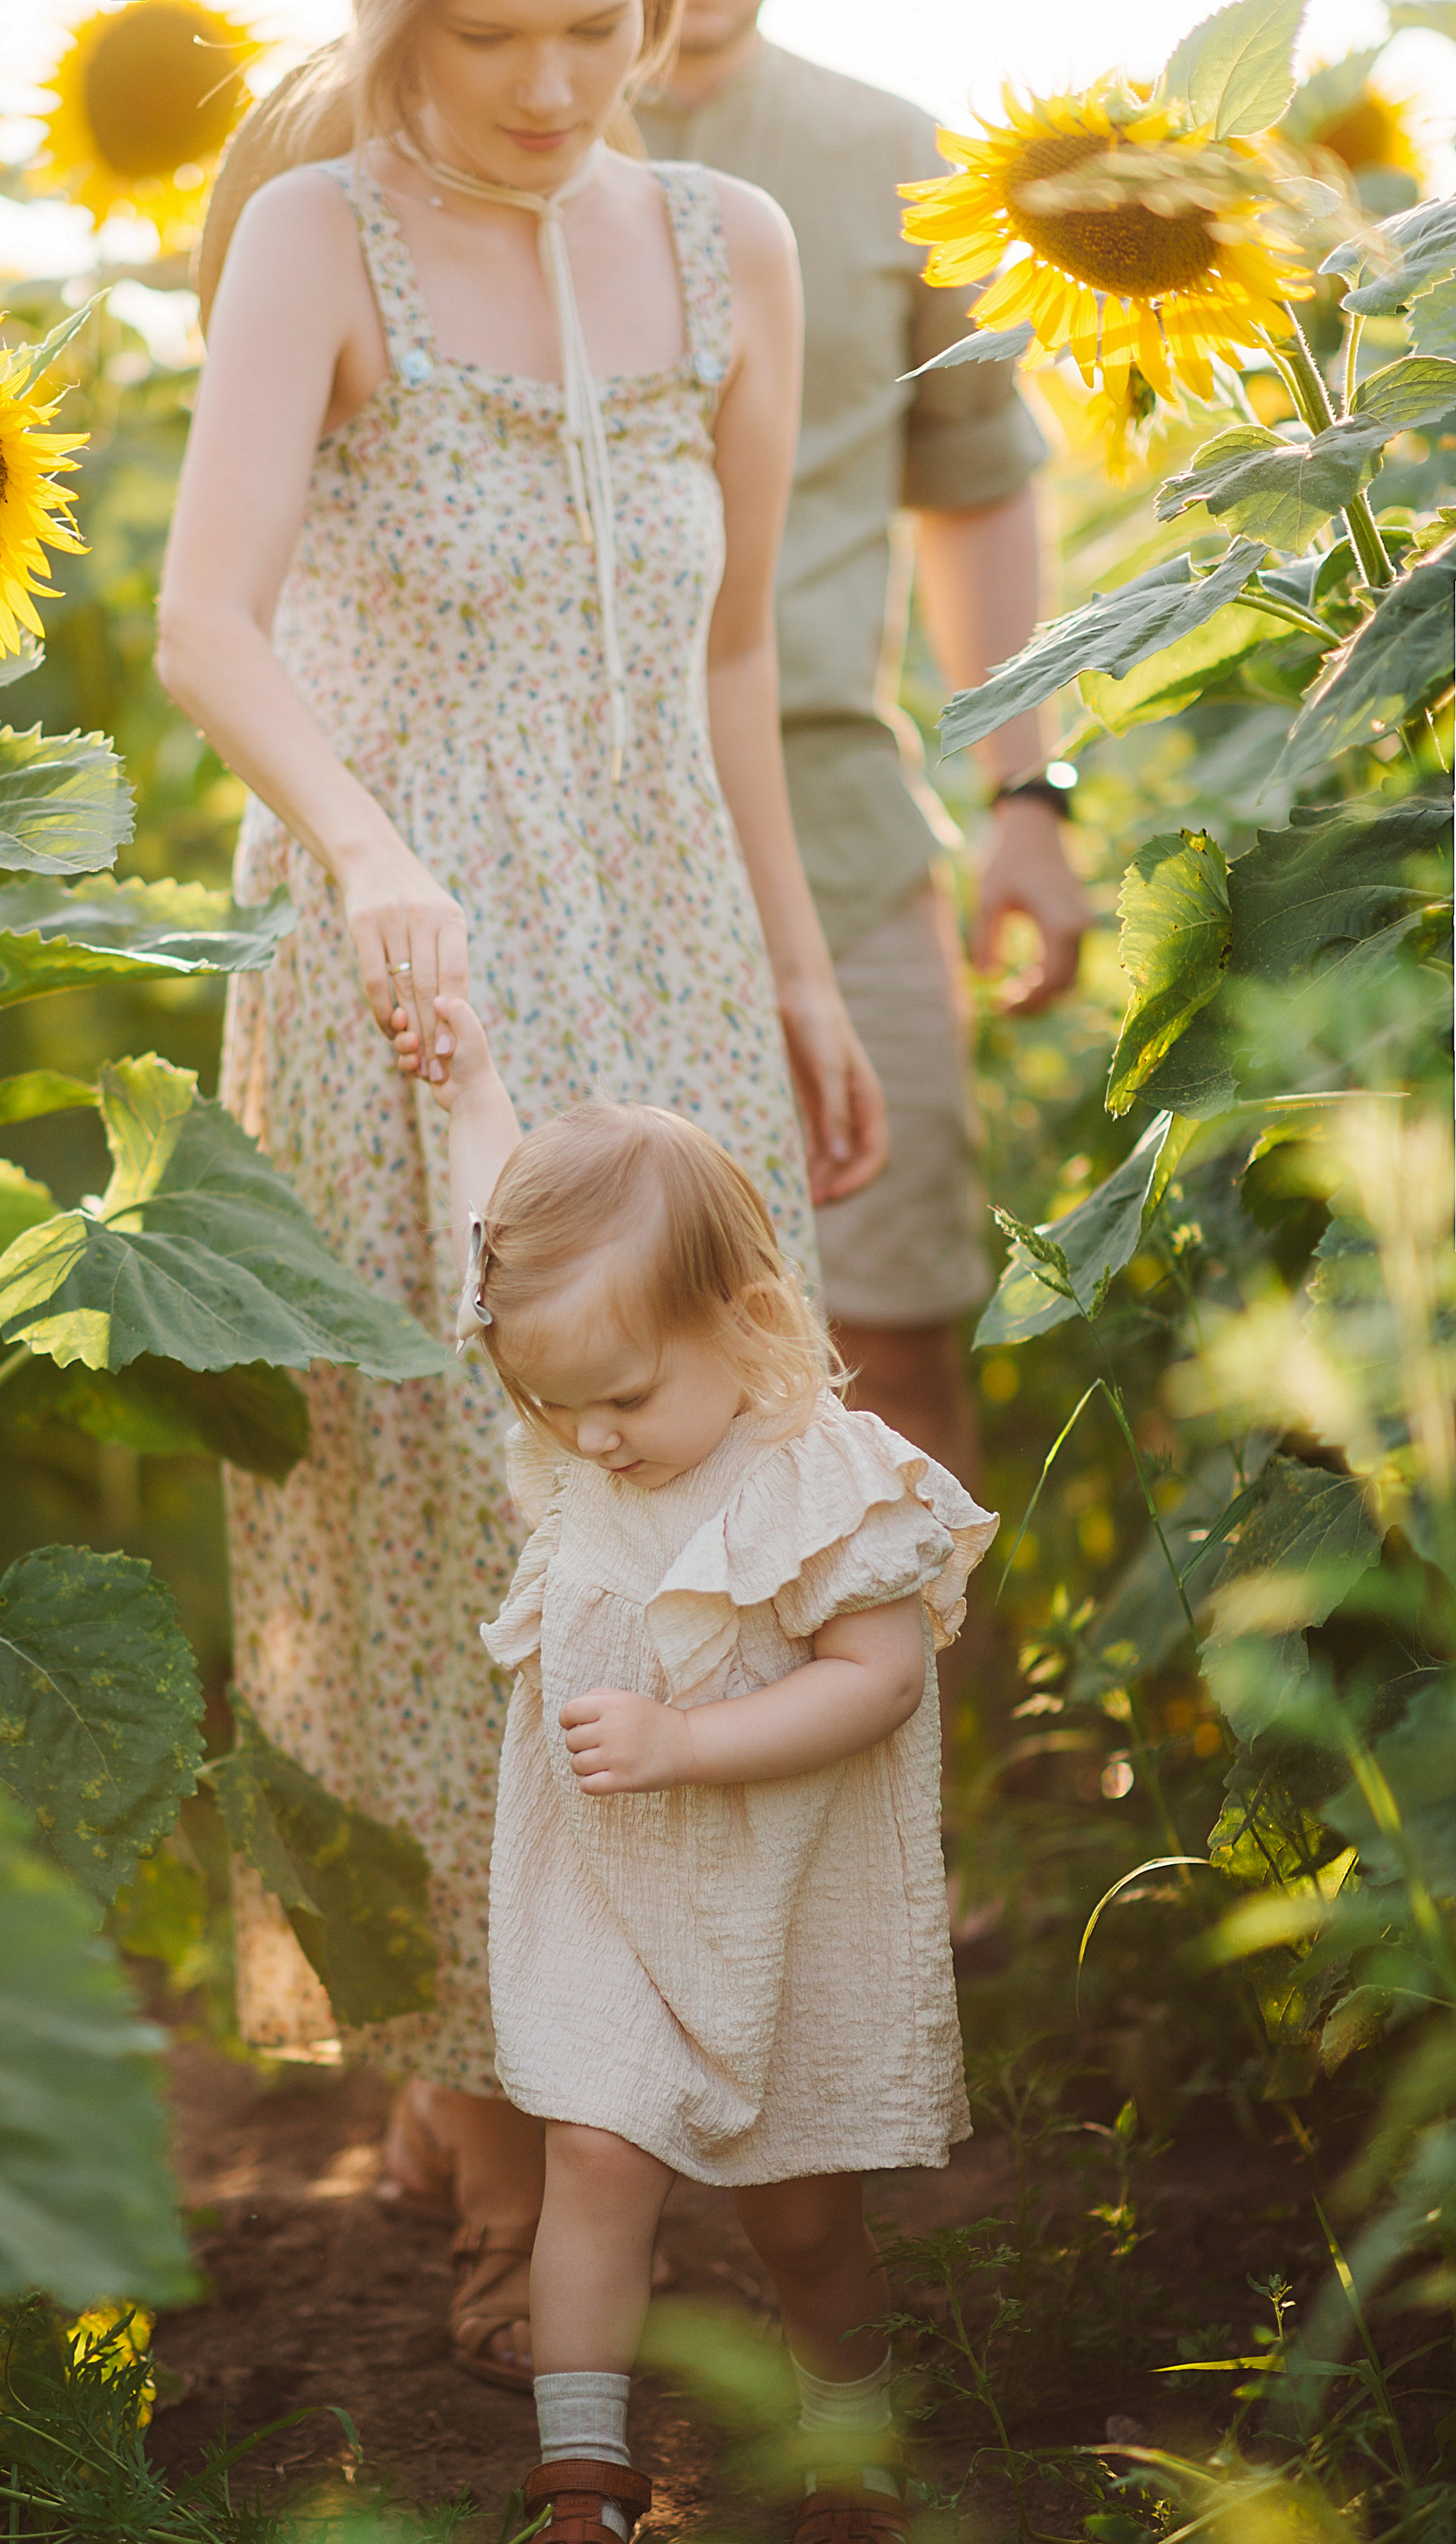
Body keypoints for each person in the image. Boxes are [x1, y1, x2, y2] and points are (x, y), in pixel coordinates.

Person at [161, 0, 886, 2393]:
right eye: (492, 28)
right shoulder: (319, 235)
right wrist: (369, 849)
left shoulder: (734, 242)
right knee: (445, 1552)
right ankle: (502, 2180)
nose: (556, 81)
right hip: (414, 976)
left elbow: (732, 646)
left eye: (601, 21)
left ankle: (695, 2117)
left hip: (670, 960)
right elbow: (205, 621)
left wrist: (803, 973)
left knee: (702, 1537)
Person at [394, 978, 994, 2544]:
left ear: (745, 1321)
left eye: (620, 1398)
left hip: (777, 1903)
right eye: (555, 1400)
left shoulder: (819, 1482)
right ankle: (580, 2484)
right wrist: (473, 1076)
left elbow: (876, 1680)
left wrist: (682, 1742)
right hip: (610, 1896)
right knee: (590, 2157)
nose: (588, 1436)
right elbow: (500, 1236)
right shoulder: (592, 1435)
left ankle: (848, 2454)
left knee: (801, 2221)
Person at [637, 2, 1095, 1499]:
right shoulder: (486, 128)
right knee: (586, 1359)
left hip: (835, 826)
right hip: (550, 836)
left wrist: (1025, 793)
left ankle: (918, 1669)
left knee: (887, 1352)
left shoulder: (900, 154)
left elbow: (974, 484)